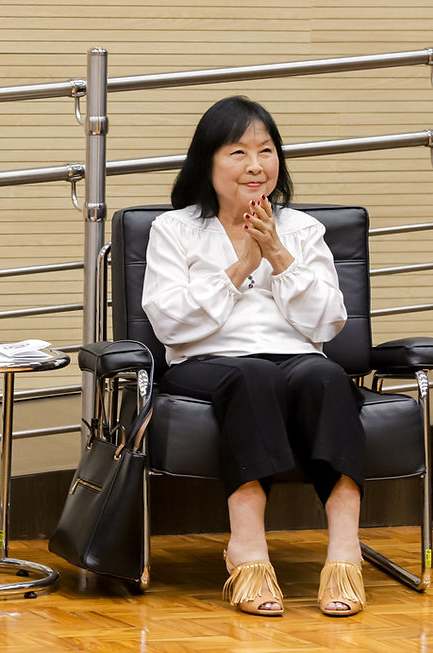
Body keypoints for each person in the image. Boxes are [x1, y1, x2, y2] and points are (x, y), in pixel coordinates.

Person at [140, 96, 366, 617]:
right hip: (209, 364)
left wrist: (280, 257)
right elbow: (170, 321)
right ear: (208, 162)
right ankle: (247, 551)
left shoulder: (304, 230)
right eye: (238, 152)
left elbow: (329, 321)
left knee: (328, 377)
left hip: (296, 357)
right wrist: (242, 267)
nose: (255, 165)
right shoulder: (173, 231)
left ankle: (345, 553)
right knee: (251, 376)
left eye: (266, 151)